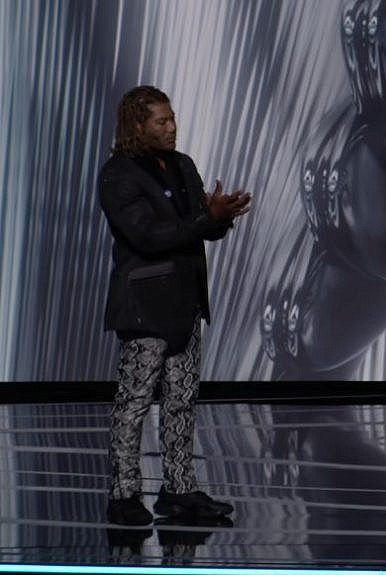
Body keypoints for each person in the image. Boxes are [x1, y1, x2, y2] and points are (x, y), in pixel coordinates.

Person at [98, 86, 252, 525]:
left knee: (182, 401)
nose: (172, 128)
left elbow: (200, 229)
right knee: (134, 403)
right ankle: (124, 493)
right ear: (137, 126)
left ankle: (180, 489)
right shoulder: (118, 174)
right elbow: (147, 236)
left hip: (186, 303)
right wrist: (208, 219)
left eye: (172, 120)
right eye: (161, 122)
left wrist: (219, 219)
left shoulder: (183, 166)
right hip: (145, 306)